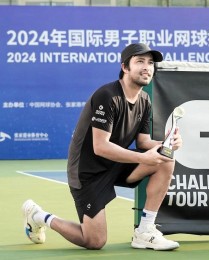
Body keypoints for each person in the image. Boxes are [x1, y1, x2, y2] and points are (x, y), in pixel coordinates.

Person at [22, 43, 182, 251]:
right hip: (87, 172)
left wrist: (166, 144)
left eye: (151, 63)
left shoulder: (145, 100)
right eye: (140, 62)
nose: (147, 67)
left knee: (166, 159)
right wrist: (144, 158)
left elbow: (143, 142)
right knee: (94, 241)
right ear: (125, 67)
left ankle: (145, 231)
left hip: (116, 165)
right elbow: (100, 147)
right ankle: (38, 216)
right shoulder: (107, 96)